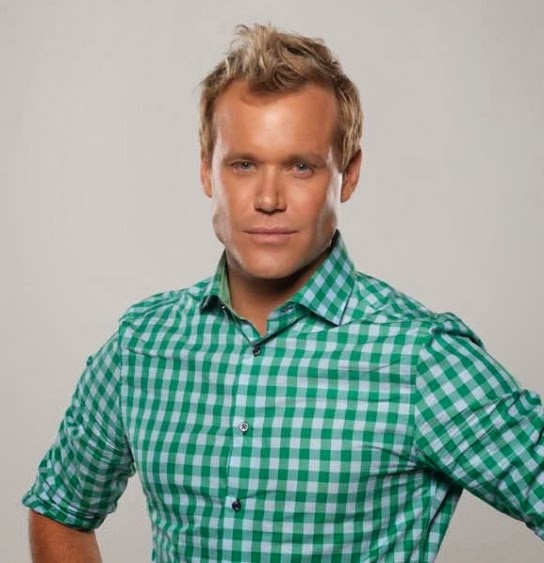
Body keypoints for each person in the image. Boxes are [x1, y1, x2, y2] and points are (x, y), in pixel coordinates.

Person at [23, 23, 544, 562]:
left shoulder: (418, 358)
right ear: (207, 171)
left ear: (348, 175)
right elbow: (60, 509)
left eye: (301, 166)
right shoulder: (142, 345)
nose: (269, 198)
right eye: (244, 164)